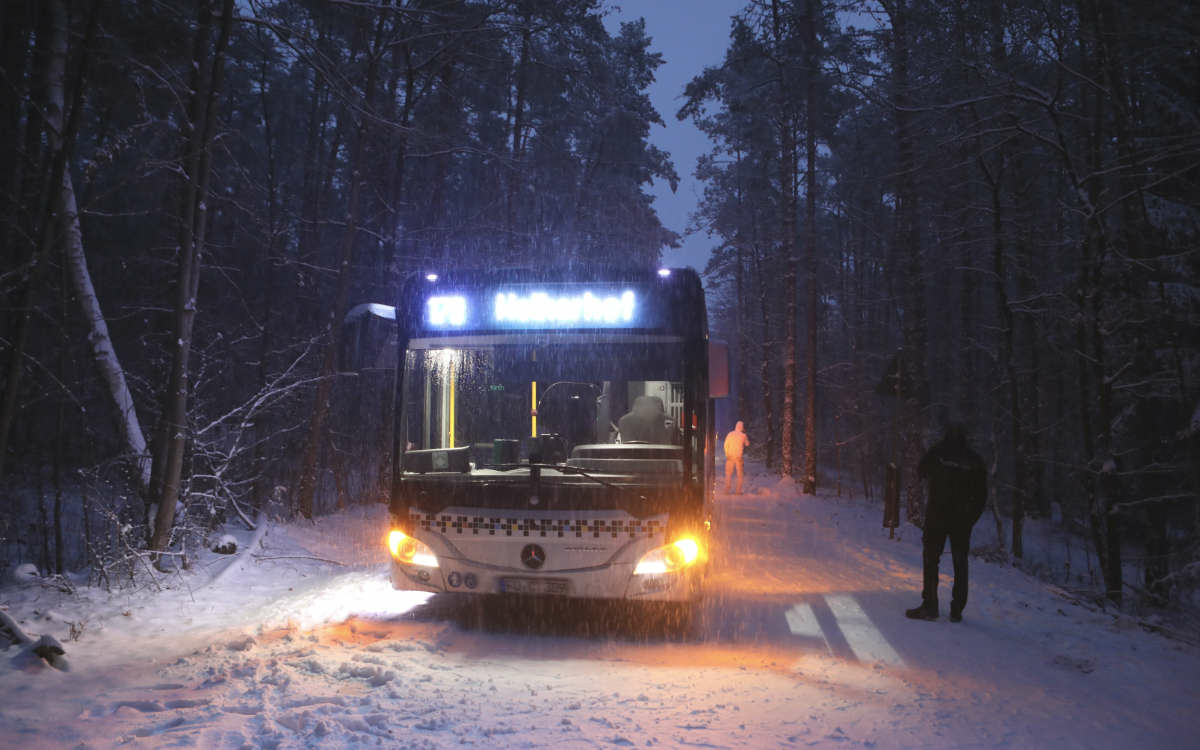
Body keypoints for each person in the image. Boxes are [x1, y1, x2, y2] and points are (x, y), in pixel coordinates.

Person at [906, 422, 987, 623]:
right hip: (962, 520)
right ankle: (957, 609)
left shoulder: (938, 452)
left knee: (931, 559)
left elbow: (921, 471)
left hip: (937, 516)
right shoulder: (974, 460)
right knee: (960, 563)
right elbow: (981, 495)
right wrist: (970, 518)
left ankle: (930, 606)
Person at [723, 420, 750, 494]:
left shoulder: (730, 434)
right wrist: (745, 436)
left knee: (728, 474)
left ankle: (726, 490)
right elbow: (747, 444)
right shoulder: (743, 435)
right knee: (740, 475)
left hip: (730, 457)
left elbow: (725, 445)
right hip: (739, 457)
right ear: (742, 427)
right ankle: (738, 491)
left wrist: (727, 454)